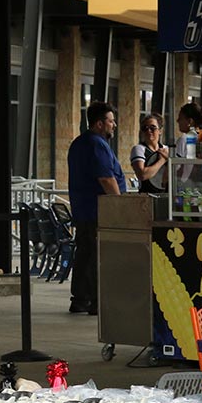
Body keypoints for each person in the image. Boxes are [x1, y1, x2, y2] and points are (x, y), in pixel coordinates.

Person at [66, 101, 126, 315]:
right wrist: (120, 206)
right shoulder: (96, 145)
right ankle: (96, 300)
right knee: (97, 256)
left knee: (85, 253)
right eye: (111, 121)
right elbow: (107, 179)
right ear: (100, 124)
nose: (114, 125)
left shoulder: (78, 143)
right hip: (99, 210)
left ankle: (80, 298)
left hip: (83, 210)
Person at [129, 113, 169, 194]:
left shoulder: (166, 149)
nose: (149, 131)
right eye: (145, 128)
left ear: (160, 130)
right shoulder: (139, 149)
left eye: (152, 127)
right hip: (146, 197)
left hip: (166, 195)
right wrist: (162, 160)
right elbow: (142, 175)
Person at [174, 102, 202, 186]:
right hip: (201, 186)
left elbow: (179, 167)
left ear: (190, 121)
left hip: (184, 186)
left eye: (180, 118)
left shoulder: (184, 139)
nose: (177, 121)